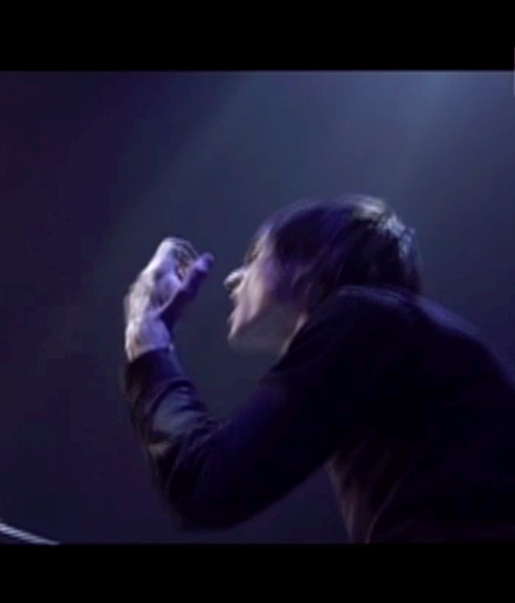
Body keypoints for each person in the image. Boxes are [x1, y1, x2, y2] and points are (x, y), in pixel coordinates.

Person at [121, 194, 515, 542]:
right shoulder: (390, 333)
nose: (232, 279)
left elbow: (206, 486)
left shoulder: (362, 318)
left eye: (255, 257)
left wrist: (147, 340)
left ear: (312, 262)